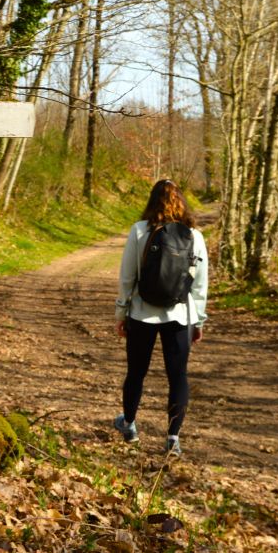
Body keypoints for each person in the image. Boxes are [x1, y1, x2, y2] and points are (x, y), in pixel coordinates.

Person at [113, 179, 208, 456]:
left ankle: (129, 426)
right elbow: (200, 285)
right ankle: (172, 439)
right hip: (179, 316)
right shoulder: (195, 236)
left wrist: (121, 312)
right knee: (177, 376)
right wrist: (198, 321)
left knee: (136, 373)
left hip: (142, 314)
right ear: (181, 201)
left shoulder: (140, 231)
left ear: (151, 201)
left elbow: (127, 277)